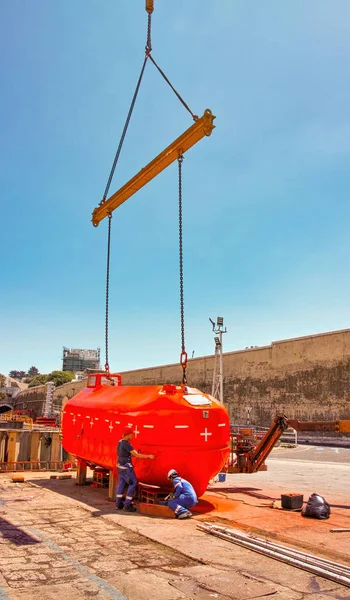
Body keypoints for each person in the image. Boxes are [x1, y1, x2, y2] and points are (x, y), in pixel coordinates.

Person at [116, 426, 155, 512]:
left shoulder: (120, 442)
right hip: (127, 468)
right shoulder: (127, 444)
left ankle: (118, 504)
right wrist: (149, 456)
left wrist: (133, 454)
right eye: (132, 434)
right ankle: (127, 504)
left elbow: (123, 454)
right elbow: (136, 455)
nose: (133, 436)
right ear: (127, 435)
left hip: (120, 466)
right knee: (133, 483)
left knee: (121, 483)